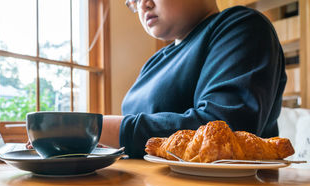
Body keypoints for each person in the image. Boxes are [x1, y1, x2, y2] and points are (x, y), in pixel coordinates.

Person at [98, 0, 287, 158]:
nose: (143, 5)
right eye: (134, 1)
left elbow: (223, 132)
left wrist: (97, 128)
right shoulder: (154, 62)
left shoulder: (241, 26)